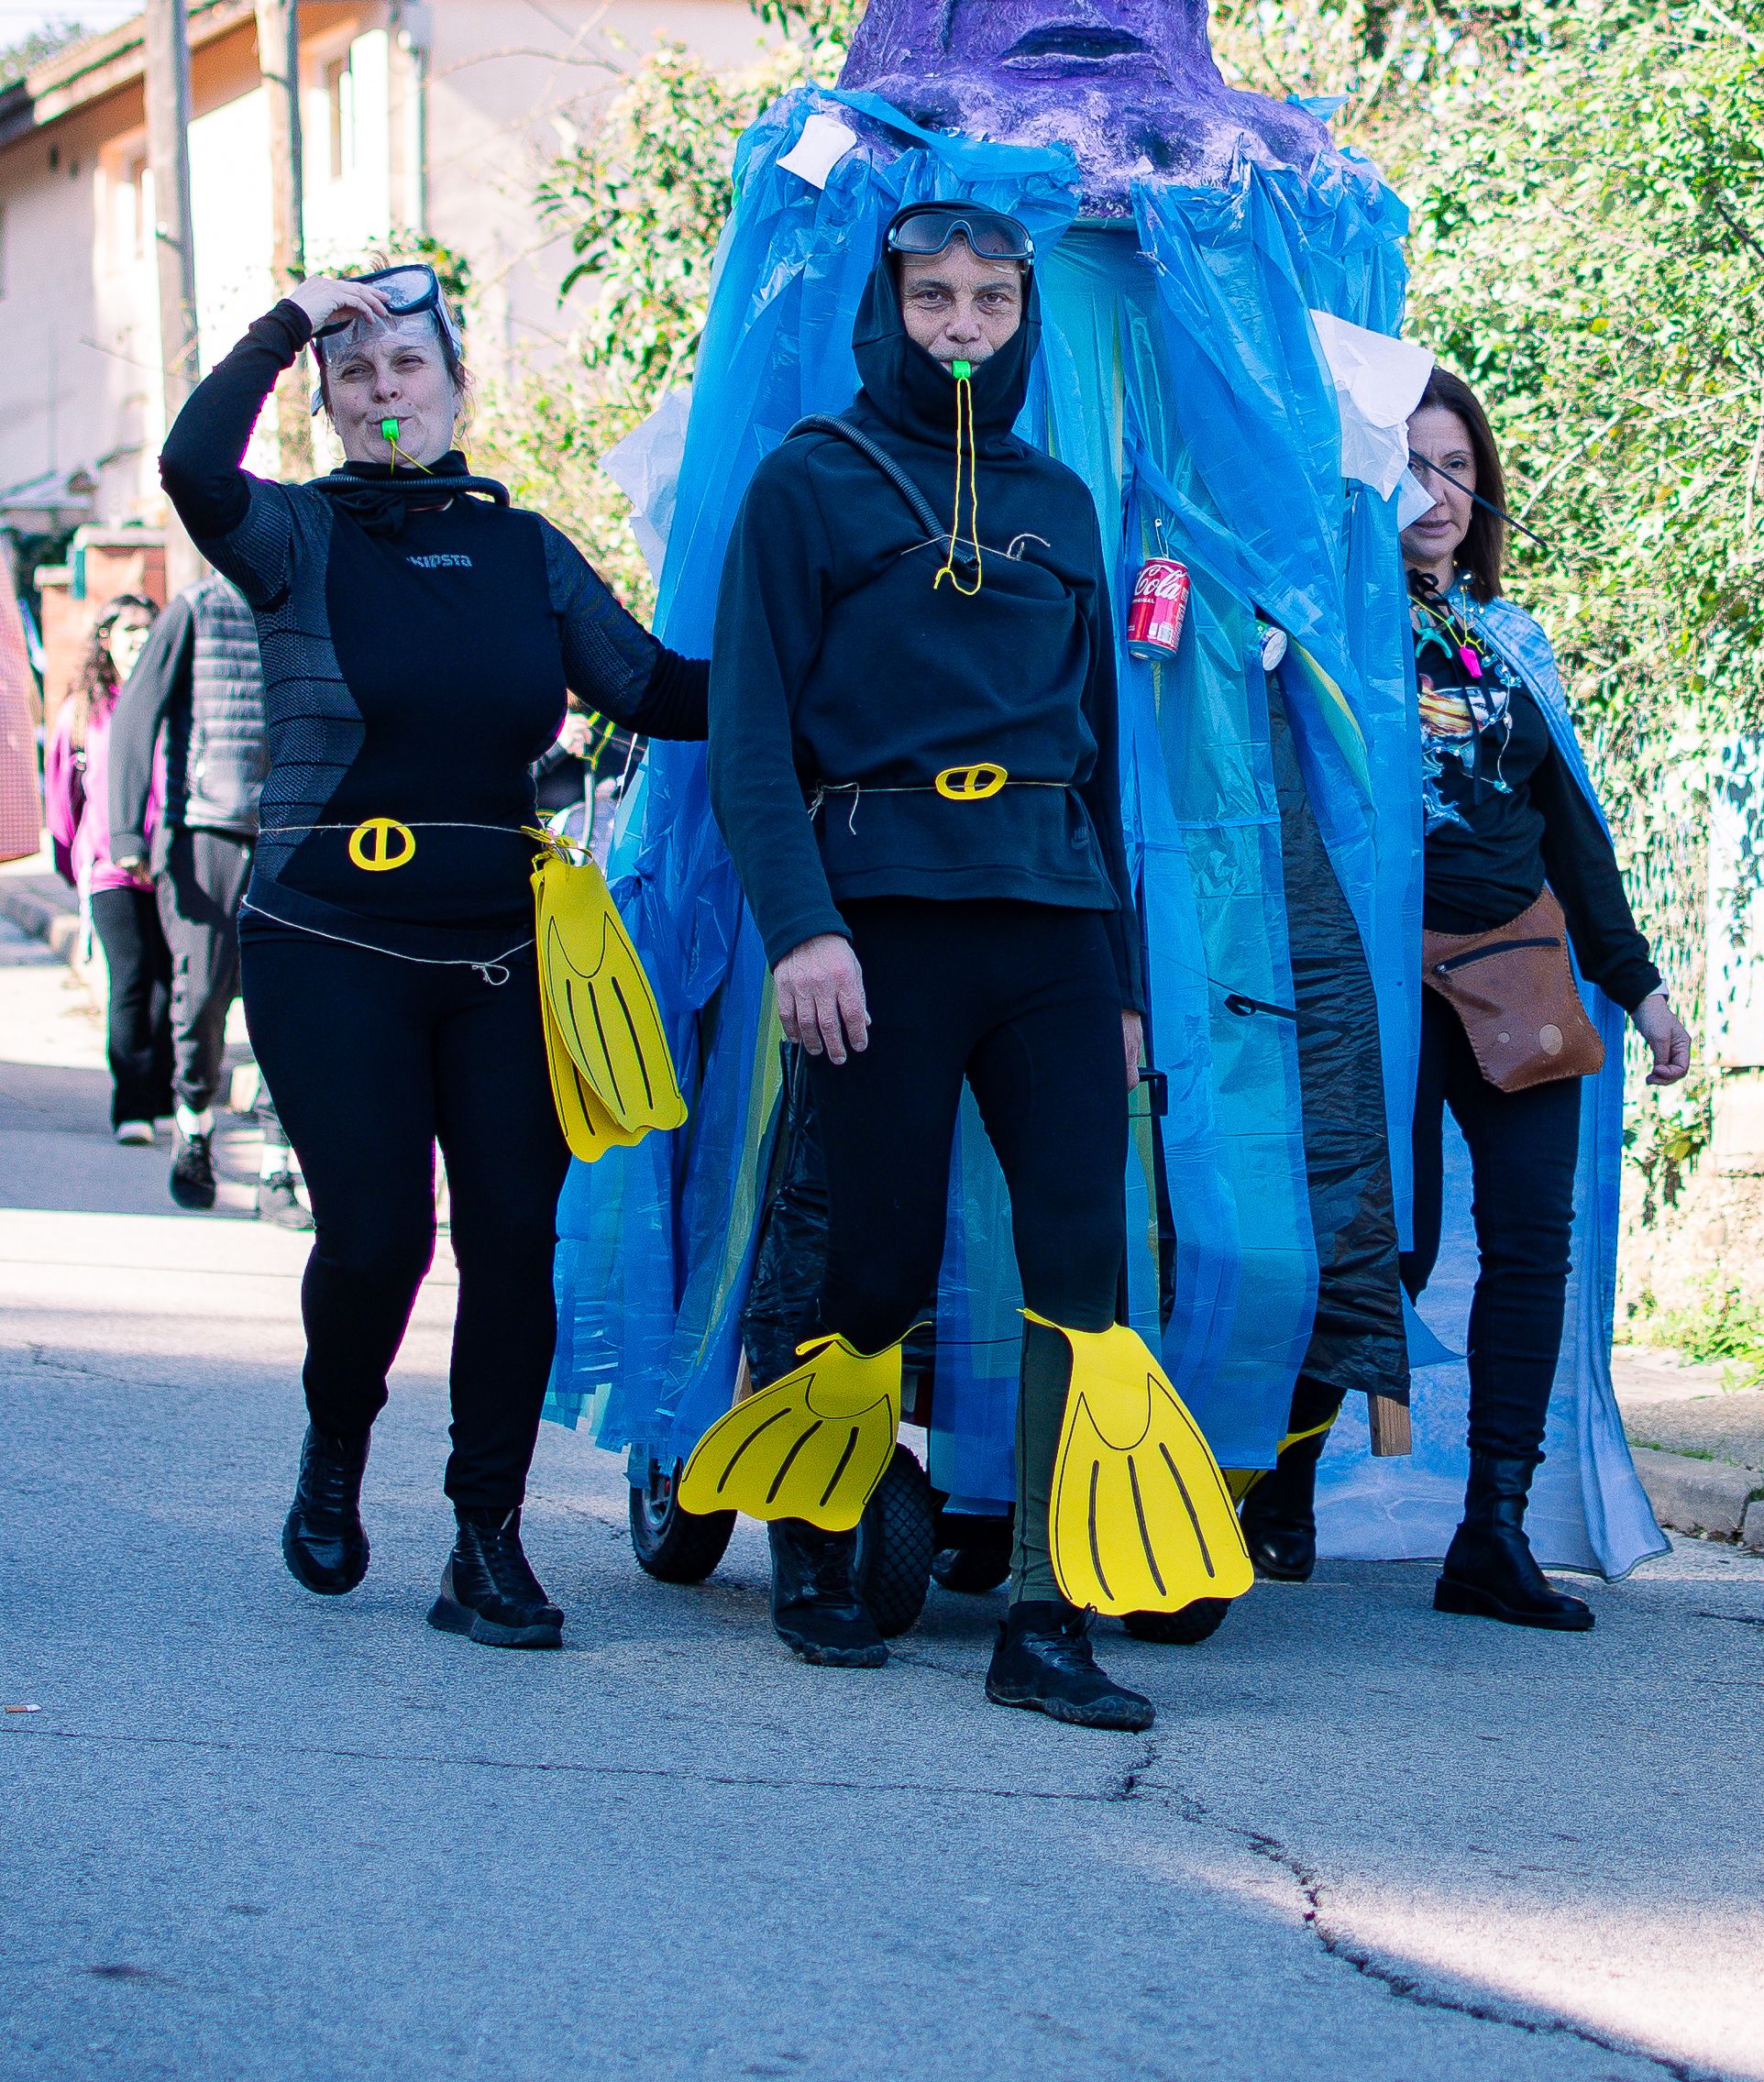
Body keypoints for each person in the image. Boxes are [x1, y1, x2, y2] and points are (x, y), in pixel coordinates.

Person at [155, 260, 709, 1651]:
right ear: (329, 402)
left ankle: (486, 1542)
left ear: (457, 387)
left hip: (504, 956)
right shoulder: (290, 536)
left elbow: (657, 690)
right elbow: (186, 465)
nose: (384, 392)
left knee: (516, 1245)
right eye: (359, 375)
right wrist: (289, 321)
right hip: (328, 938)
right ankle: (335, 1457)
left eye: (408, 369)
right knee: (381, 1239)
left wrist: (829, 630)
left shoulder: (524, 551)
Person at [706, 204, 1174, 1734]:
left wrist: (1122, 988)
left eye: (986, 300)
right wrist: (803, 926)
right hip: (879, 925)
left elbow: (1100, 763)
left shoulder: (1063, 503)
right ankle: (820, 1540)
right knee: (875, 1262)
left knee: (1082, 1273)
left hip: (1047, 921)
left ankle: (1049, 1616)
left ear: (1022, 317)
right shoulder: (809, 482)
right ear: (886, 308)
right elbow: (752, 737)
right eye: (930, 298)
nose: (960, 325)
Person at [1400, 365, 1691, 1632]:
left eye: (1457, 467)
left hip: (1519, 975)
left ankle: (1493, 1535)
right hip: (1377, 977)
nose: (1438, 492)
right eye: (1411, 465)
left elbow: (1575, 830)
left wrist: (1640, 986)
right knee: (1382, 1239)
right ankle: (1281, 1491)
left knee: (1534, 1248)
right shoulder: (1317, 628)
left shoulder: (1508, 644)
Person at [108, 560, 268, 1210]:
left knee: (287, 1005)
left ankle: (281, 1162)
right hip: (205, 828)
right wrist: (126, 833)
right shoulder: (195, 608)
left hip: (291, 829)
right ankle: (195, 1123)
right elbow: (133, 717)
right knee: (202, 992)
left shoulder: (310, 603)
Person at [46, 596, 172, 1144]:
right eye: (130, 630)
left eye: (150, 629)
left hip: (172, 866)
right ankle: (132, 1107)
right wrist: (77, 862)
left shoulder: (177, 698)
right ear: (106, 638)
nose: (141, 639)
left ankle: (165, 1093)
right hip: (109, 868)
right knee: (131, 979)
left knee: (173, 985)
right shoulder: (82, 711)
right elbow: (61, 796)